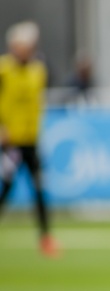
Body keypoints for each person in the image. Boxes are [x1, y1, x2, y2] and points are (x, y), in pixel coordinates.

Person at [0, 21, 59, 257]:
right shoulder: (3, 70)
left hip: (32, 140)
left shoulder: (38, 69)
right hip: (11, 142)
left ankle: (45, 238)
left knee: (39, 189)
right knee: (5, 188)